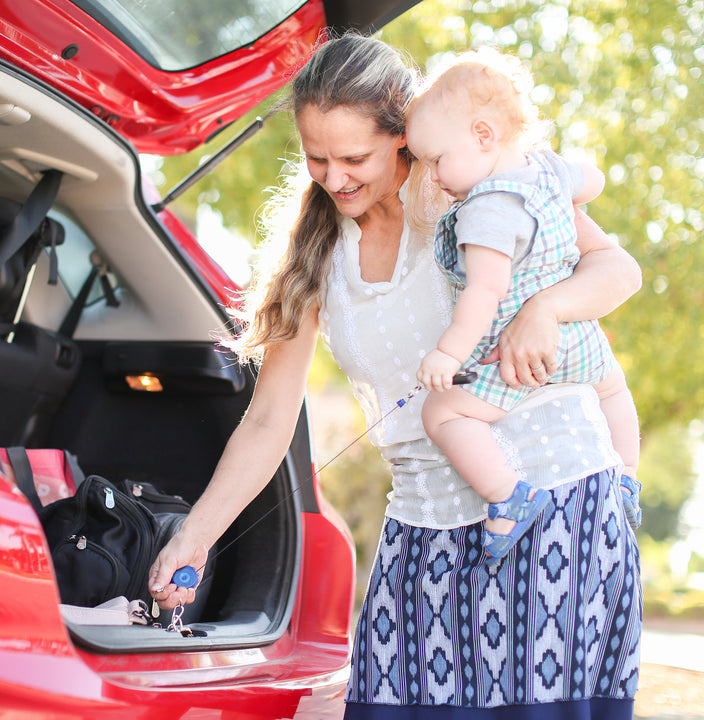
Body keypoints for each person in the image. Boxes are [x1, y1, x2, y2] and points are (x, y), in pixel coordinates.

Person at [149, 34, 643, 719]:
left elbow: (618, 270)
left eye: (355, 158)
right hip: (421, 523)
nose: (335, 177)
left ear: (404, 138)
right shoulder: (319, 254)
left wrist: (546, 308)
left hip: (551, 501)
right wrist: (194, 537)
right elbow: (267, 421)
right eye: (317, 158)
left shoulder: (478, 191)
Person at [404, 47, 641, 565]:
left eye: (436, 159)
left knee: (442, 412)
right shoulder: (548, 170)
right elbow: (594, 181)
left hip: (516, 353)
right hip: (578, 337)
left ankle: (507, 494)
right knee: (614, 388)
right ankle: (625, 476)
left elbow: (483, 295)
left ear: (483, 135)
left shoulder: (487, 211)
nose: (433, 176)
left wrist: (447, 355)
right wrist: (569, 184)